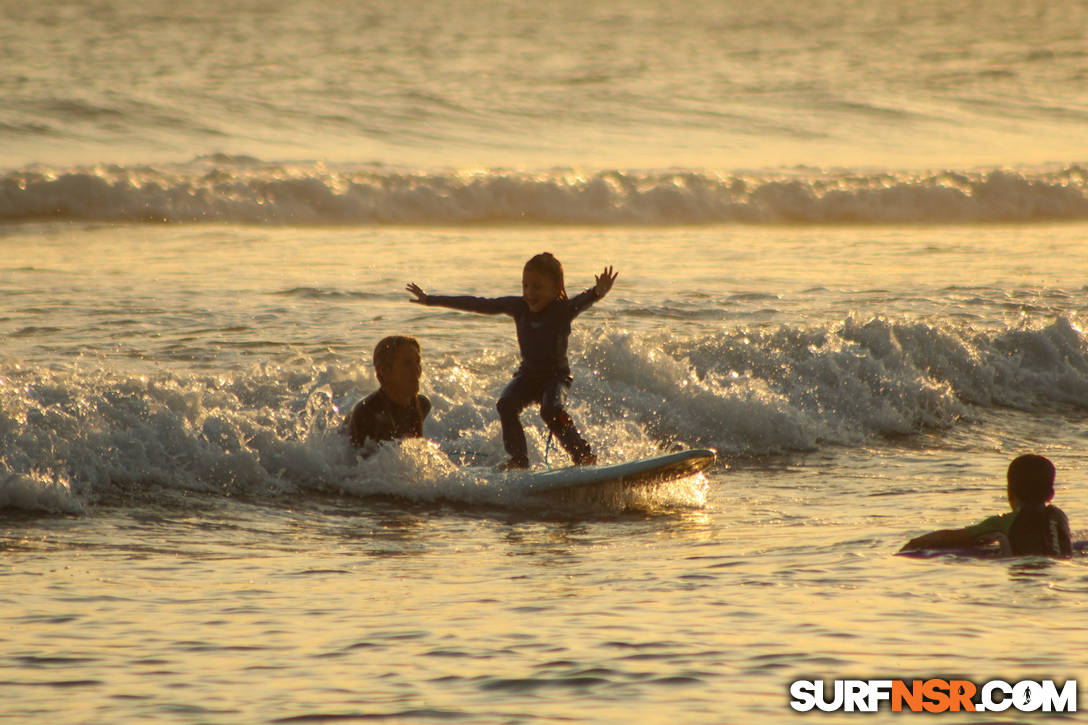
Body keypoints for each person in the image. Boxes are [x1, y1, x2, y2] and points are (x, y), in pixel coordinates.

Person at [407, 252, 617, 470]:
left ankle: (583, 455)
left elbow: (582, 301)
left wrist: (598, 291)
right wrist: (430, 299)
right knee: (506, 404)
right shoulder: (519, 307)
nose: (529, 293)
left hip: (556, 377)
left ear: (555, 290)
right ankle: (518, 460)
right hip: (527, 376)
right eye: (525, 286)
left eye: (537, 287)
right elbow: (479, 304)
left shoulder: (562, 310)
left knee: (551, 410)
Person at [899, 454, 1073, 557]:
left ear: (1010, 493)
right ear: (1051, 494)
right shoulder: (1059, 516)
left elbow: (953, 536)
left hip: (1024, 565)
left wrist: (914, 543)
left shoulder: (1004, 522)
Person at [341, 335, 431, 456]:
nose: (416, 370)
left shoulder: (422, 405)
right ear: (384, 370)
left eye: (417, 362)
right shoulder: (366, 414)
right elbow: (353, 468)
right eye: (407, 363)